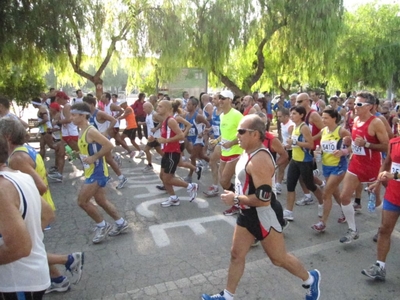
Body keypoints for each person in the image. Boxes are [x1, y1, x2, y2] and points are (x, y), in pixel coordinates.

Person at [201, 115, 321, 300]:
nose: (237, 135)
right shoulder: (246, 151)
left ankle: (310, 279)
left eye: (241, 131)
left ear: (255, 134)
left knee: (278, 259)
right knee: (236, 254)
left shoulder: (260, 160)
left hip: (265, 214)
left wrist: (235, 198)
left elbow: (263, 200)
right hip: (247, 212)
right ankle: (227, 296)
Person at [0, 135, 53, 300]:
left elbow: (20, 248)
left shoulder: (2, 188)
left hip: (17, 282)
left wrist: (24, 238)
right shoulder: (20, 176)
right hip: (31, 275)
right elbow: (48, 213)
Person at [70, 102, 129, 243]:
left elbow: (109, 145)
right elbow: (89, 149)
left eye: (73, 115)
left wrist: (93, 157)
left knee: (82, 201)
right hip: (91, 171)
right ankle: (121, 223)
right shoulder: (82, 130)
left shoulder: (91, 131)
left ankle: (102, 226)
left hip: (97, 172)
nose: (70, 118)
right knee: (101, 200)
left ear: (83, 115)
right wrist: (78, 153)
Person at [339, 91, 389, 243]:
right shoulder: (355, 120)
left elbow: (386, 146)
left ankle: (383, 228)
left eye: (359, 104)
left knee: (377, 201)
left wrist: (366, 144)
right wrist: (349, 142)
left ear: (370, 107)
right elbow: (356, 143)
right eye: (354, 103)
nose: (355, 106)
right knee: (344, 196)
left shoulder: (376, 122)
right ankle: (352, 230)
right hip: (356, 164)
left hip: (372, 166)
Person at [362, 126, 400, 280]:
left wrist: (394, 175)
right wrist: (377, 182)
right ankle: (379, 267)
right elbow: (386, 163)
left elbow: (392, 172)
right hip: (394, 194)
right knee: (384, 229)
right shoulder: (393, 142)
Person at [148, 100, 198, 206]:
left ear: (166, 108)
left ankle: (190, 186)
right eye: (157, 106)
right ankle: (173, 198)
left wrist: (165, 141)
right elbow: (166, 137)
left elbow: (181, 136)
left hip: (172, 153)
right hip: (167, 152)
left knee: (168, 178)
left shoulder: (171, 121)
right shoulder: (165, 121)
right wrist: (155, 139)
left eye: (160, 107)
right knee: (162, 176)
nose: (157, 108)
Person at [310, 109, 351, 232]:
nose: (323, 120)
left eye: (326, 118)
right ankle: (346, 213)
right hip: (326, 166)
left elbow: (354, 145)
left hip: (338, 166)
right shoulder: (324, 131)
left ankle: (322, 222)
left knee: (326, 193)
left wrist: (343, 151)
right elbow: (318, 143)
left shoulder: (341, 131)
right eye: (322, 117)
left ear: (334, 118)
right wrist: (318, 152)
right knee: (335, 193)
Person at [283, 105, 324, 221]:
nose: (292, 116)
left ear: (301, 115)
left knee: (310, 184)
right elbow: (295, 143)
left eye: (294, 113)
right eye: (291, 113)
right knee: (290, 185)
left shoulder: (303, 127)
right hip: (295, 160)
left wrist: (295, 142)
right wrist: (289, 145)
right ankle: (288, 212)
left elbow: (310, 144)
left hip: (305, 161)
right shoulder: (294, 127)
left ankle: (322, 202)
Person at [83, 96, 128, 189]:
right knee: (103, 160)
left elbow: (114, 120)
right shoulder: (88, 114)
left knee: (108, 160)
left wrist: (107, 131)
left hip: (103, 141)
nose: (84, 106)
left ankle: (121, 177)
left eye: (86, 104)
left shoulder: (99, 113)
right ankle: (106, 176)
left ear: (91, 104)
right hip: (96, 142)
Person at [218, 90, 244, 216]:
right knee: (223, 181)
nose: (221, 100)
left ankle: (238, 202)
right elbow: (224, 133)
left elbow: (244, 132)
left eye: (223, 98)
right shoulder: (222, 115)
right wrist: (217, 140)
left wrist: (232, 143)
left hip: (236, 151)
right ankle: (238, 200)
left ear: (230, 100)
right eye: (219, 98)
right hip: (224, 151)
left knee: (224, 180)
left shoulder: (237, 115)